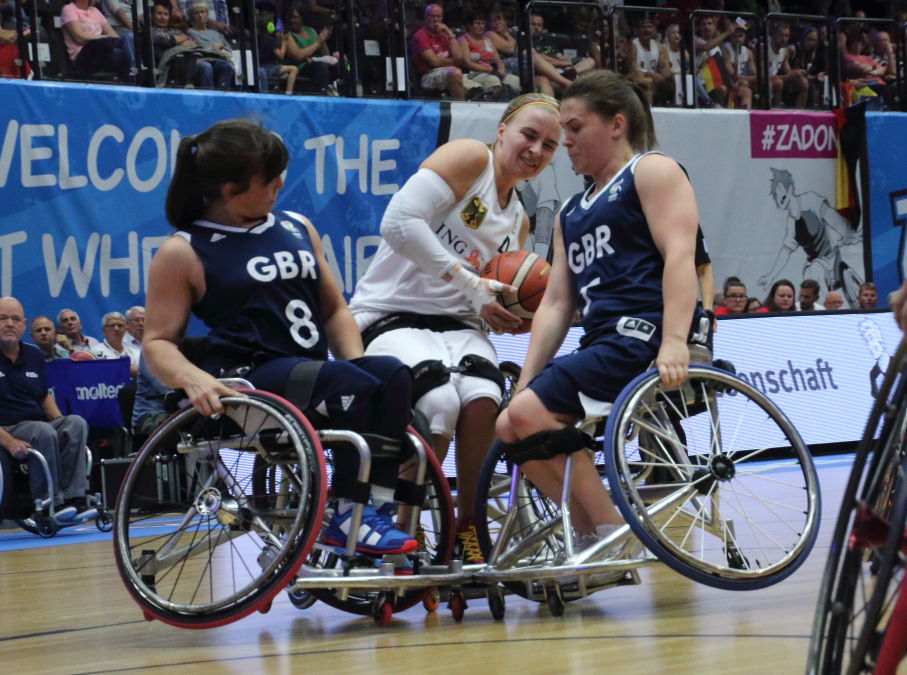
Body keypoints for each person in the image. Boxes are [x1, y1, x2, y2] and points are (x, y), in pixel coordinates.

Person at [143, 119, 417, 556]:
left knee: (391, 375)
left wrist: (357, 367)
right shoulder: (183, 251)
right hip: (250, 378)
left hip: (310, 373)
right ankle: (348, 516)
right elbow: (156, 343)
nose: (281, 184)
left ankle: (370, 514)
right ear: (230, 190)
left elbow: (333, 309)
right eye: (270, 179)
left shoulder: (296, 226)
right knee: (357, 384)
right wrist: (192, 379)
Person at [496, 70, 706, 556]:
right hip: (602, 339)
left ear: (616, 124)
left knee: (528, 413)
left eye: (574, 128)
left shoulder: (652, 171)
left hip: (645, 331)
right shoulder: (571, 212)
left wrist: (674, 339)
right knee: (511, 422)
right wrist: (528, 375)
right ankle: (589, 529)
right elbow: (556, 302)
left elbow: (681, 255)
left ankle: (613, 532)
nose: (563, 142)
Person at [349, 94, 562, 563]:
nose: (536, 150)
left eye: (549, 145)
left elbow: (483, 293)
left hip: (458, 325)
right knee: (439, 401)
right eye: (529, 134)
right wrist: (469, 282)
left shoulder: (519, 221)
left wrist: (502, 311)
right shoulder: (469, 157)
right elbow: (398, 222)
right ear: (503, 129)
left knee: (484, 400)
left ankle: (468, 527)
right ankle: (402, 525)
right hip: (391, 312)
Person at [0, 297, 94, 520]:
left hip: (35, 424)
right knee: (42, 431)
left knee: (75, 424)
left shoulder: (34, 355)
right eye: (2, 319)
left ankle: (75, 499)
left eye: (15, 319)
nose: (9, 324)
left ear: (23, 325)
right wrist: (10, 442)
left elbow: (44, 398)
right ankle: (47, 503)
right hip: (6, 427)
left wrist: (62, 425)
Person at [759, 168, 862, 308]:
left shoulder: (809, 199)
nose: (780, 194)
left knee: (815, 268)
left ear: (790, 188)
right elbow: (786, 250)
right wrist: (770, 276)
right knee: (811, 271)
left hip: (833, 257)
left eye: (781, 188)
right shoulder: (791, 223)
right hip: (818, 265)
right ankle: (820, 311)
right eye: (776, 193)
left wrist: (848, 234)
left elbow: (831, 216)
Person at [411, 4, 474, 101]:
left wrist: (450, 34)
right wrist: (454, 61)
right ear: (425, 17)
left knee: (487, 85)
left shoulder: (445, 34)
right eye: (432, 16)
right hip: (430, 74)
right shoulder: (420, 35)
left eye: (438, 16)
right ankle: (460, 111)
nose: (436, 19)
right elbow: (434, 62)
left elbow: (460, 58)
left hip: (452, 70)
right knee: (455, 73)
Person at [60, 0, 134, 80]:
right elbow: (79, 38)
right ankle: (134, 72)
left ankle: (136, 69)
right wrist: (104, 37)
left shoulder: (94, 10)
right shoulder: (68, 9)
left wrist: (111, 39)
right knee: (119, 52)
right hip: (83, 53)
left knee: (129, 37)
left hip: (102, 48)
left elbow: (111, 32)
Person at [457, 10, 520, 101]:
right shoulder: (464, 39)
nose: (481, 26)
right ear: (469, 25)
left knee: (516, 81)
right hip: (474, 73)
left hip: (492, 71)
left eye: (483, 23)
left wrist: (501, 69)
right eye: (478, 23)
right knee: (493, 80)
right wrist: (487, 70)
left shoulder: (487, 39)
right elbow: (467, 62)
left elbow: (498, 60)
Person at [282, 2, 338, 96]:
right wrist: (318, 41)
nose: (292, 20)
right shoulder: (288, 34)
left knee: (339, 67)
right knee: (320, 67)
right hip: (299, 67)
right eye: (290, 17)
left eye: (295, 17)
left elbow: (325, 55)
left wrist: (323, 40)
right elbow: (298, 56)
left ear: (302, 18)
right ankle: (322, 95)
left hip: (317, 63)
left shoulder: (310, 30)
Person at [185, 0, 235, 90]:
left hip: (217, 59)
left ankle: (221, 94)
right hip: (201, 59)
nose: (200, 16)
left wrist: (218, 47)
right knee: (207, 67)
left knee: (227, 66)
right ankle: (208, 97)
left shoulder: (215, 33)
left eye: (202, 12)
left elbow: (228, 48)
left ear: (207, 14)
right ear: (192, 16)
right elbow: (201, 48)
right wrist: (217, 46)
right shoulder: (190, 32)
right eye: (197, 13)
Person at [90, 311, 140, 376]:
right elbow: (115, 368)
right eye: (111, 326)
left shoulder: (134, 352)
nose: (116, 328)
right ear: (104, 331)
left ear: (125, 329)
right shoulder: (97, 350)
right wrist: (141, 370)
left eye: (120, 325)